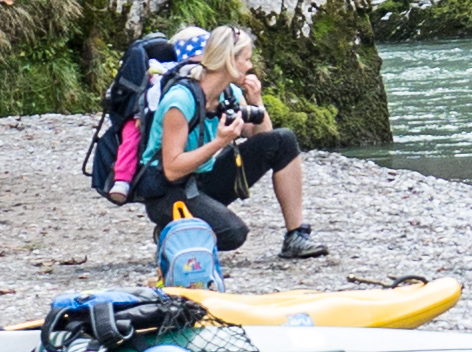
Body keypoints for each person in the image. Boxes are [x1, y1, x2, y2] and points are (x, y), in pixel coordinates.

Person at [136, 25, 329, 265]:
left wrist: (256, 101)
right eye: (246, 59)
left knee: (283, 139)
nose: (249, 66)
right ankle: (171, 231)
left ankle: (296, 236)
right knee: (233, 234)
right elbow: (172, 168)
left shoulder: (229, 92)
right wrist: (220, 142)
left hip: (202, 178)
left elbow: (264, 139)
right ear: (229, 60)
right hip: (167, 190)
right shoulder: (180, 100)